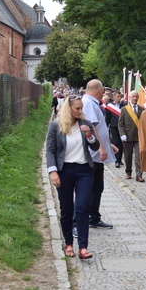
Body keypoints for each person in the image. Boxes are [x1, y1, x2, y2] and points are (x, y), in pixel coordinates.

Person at [46, 95, 100, 259]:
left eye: (81, 108)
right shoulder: (56, 126)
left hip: (84, 170)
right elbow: (50, 150)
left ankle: (83, 247)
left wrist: (90, 136)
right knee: (67, 209)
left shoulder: (85, 124)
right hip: (64, 171)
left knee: (83, 207)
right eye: (77, 108)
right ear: (68, 109)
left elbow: (95, 146)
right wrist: (53, 171)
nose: (80, 111)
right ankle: (68, 243)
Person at [83, 79, 118, 229]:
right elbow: (91, 126)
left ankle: (93, 216)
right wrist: (101, 147)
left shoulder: (91, 102)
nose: (104, 93)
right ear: (98, 90)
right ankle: (91, 217)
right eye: (102, 90)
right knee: (93, 187)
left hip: (97, 153)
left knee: (98, 187)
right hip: (94, 154)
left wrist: (107, 145)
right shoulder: (89, 103)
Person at [118, 90, 144, 181]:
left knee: (139, 157)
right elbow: (120, 124)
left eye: (137, 96)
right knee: (128, 156)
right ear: (130, 97)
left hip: (138, 137)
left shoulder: (142, 110)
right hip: (127, 137)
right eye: (133, 96)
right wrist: (122, 134)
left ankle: (139, 175)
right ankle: (128, 172)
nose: (135, 98)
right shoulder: (124, 109)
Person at [106, 90, 125, 168]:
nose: (119, 98)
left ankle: (119, 159)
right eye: (117, 96)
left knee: (121, 144)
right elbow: (107, 118)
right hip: (114, 127)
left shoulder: (123, 106)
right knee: (116, 143)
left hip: (122, 128)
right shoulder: (110, 107)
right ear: (113, 97)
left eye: (120, 96)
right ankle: (116, 160)